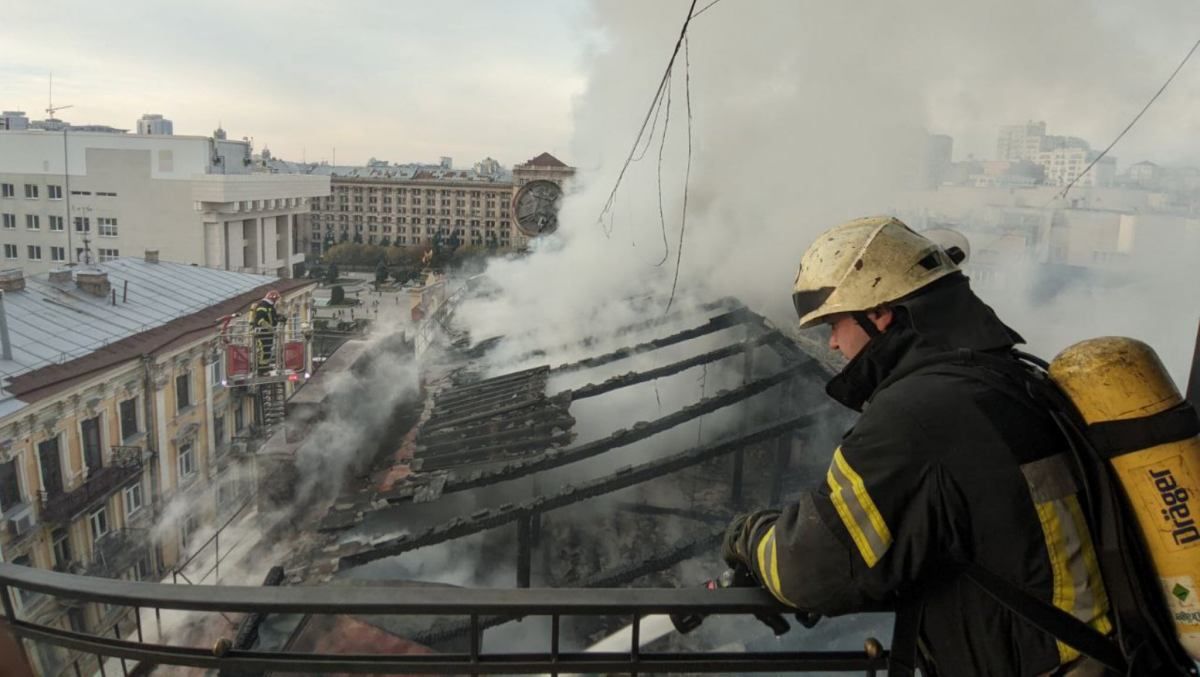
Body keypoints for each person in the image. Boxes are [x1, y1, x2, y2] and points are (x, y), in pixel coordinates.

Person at [722, 216, 1112, 676]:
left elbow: (809, 570)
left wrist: (746, 537)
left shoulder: (916, 414)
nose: (832, 342)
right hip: (1094, 657)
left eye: (834, 323)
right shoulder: (1002, 377)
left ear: (880, 312)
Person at [254, 290, 285, 375]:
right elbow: (261, 320)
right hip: (262, 333)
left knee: (267, 350)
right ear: (273, 298)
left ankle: (265, 366)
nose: (276, 301)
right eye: (276, 299)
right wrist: (272, 329)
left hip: (268, 333)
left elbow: (271, 317)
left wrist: (279, 317)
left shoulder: (269, 306)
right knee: (264, 350)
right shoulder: (262, 306)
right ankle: (262, 369)